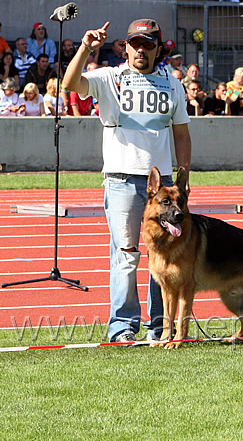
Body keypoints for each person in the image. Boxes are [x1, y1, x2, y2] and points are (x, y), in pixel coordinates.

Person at [62, 18, 192, 343]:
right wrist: (85, 48)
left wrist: (184, 173)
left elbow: (182, 133)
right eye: (135, 43)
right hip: (120, 181)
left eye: (148, 44)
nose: (140, 49)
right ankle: (122, 327)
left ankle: (159, 326)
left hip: (160, 189)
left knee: (161, 256)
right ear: (125, 46)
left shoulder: (173, 84)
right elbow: (69, 83)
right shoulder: (109, 78)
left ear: (158, 49)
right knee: (126, 255)